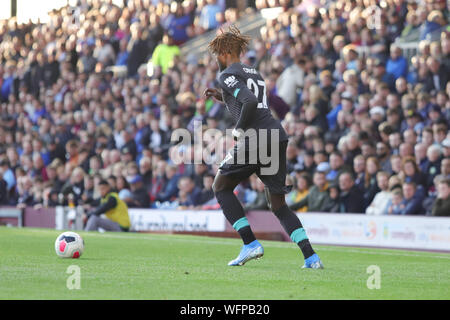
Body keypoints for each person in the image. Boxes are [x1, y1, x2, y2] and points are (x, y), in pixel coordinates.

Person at [203, 26, 323, 268]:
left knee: (221, 187)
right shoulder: (253, 72)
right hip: (276, 136)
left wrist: (238, 129)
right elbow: (249, 99)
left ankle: (250, 243)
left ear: (225, 51)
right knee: (278, 204)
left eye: (217, 53)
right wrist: (222, 94)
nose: (216, 58)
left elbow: (248, 102)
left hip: (256, 138)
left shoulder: (227, 74)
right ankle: (311, 257)